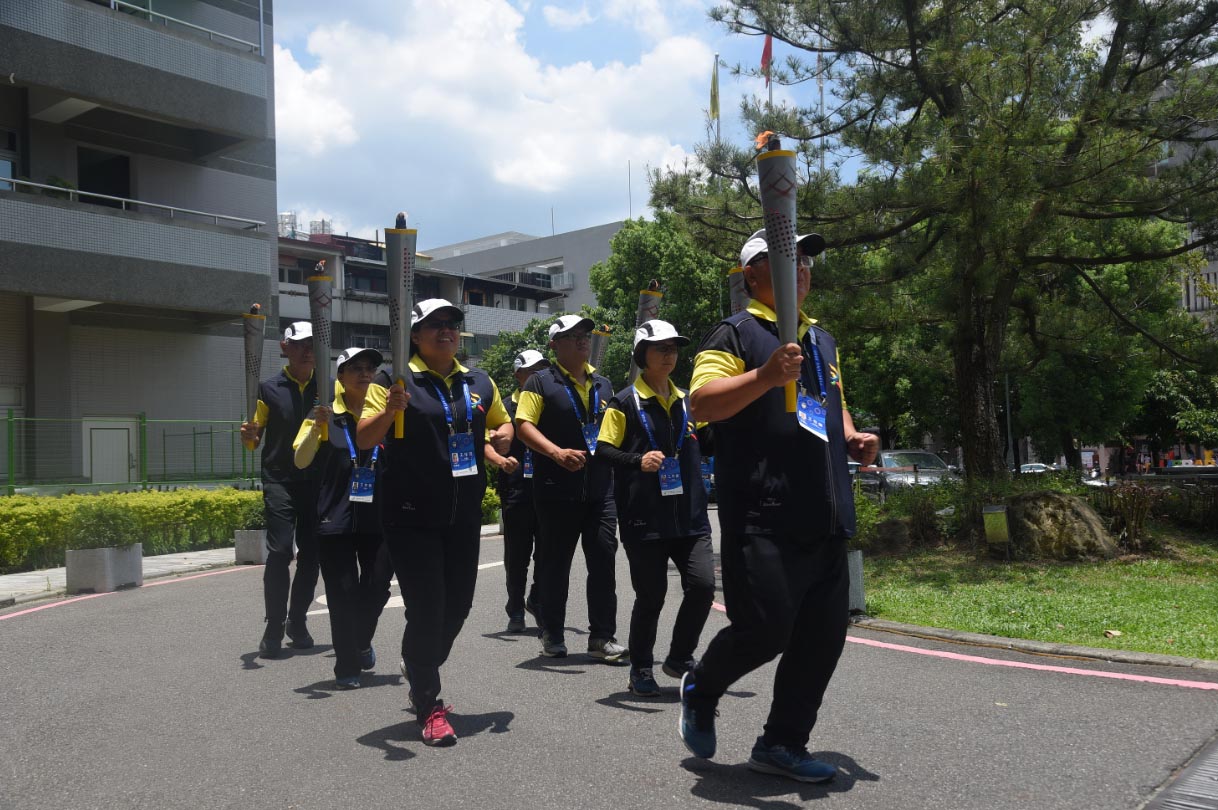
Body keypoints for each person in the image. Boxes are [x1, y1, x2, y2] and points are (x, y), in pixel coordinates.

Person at [677, 229, 879, 783]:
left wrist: (854, 436)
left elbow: (830, 406)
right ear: (752, 275)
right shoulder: (737, 332)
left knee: (821, 641)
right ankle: (703, 684)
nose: (803, 267)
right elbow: (703, 404)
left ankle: (781, 744)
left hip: (826, 512)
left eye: (807, 259)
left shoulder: (823, 340)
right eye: (787, 258)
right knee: (765, 630)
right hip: (764, 514)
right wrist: (766, 376)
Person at [357, 299, 513, 747]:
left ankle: (417, 662)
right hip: (409, 515)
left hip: (463, 514)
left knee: (458, 607)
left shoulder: (479, 381)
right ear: (415, 334)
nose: (446, 331)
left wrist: (503, 436)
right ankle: (429, 703)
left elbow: (502, 425)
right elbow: (364, 437)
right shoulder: (393, 380)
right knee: (427, 609)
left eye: (452, 324)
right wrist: (390, 409)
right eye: (435, 324)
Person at [596, 320, 715, 697]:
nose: (669, 354)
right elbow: (603, 450)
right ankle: (641, 668)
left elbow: (710, 440)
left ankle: (679, 657)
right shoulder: (624, 401)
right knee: (652, 596)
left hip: (690, 515)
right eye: (660, 348)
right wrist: (636, 460)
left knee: (702, 586)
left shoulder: (689, 401)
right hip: (644, 518)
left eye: (674, 348)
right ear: (642, 355)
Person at [515, 315, 626, 662]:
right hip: (555, 489)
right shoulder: (539, 383)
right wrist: (556, 452)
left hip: (600, 490)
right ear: (554, 345)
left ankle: (602, 637)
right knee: (554, 564)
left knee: (604, 561)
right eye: (572, 336)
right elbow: (523, 426)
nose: (582, 340)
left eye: (585, 335)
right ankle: (553, 633)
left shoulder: (604, 385)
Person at [293, 347, 394, 690]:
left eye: (370, 368)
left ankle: (361, 641)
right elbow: (301, 460)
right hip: (334, 517)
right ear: (340, 376)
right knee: (341, 593)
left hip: (378, 514)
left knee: (378, 585)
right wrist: (314, 428)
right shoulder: (325, 413)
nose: (365, 374)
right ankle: (346, 664)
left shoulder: (387, 412)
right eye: (356, 368)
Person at [240, 321, 321, 658]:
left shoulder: (327, 388)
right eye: (300, 344)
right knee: (280, 551)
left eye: (312, 344)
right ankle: (274, 624)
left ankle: (297, 621)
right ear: (285, 348)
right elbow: (254, 438)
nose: (307, 350)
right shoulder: (267, 389)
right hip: (280, 480)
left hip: (317, 481)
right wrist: (249, 436)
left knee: (313, 555)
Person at [483, 349, 549, 634]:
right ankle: (515, 609)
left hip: (549, 491)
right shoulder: (504, 411)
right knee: (517, 556)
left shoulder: (551, 405)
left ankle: (536, 598)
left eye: (542, 370)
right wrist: (499, 456)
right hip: (516, 491)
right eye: (531, 370)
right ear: (517, 375)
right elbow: (485, 439)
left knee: (549, 555)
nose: (537, 375)